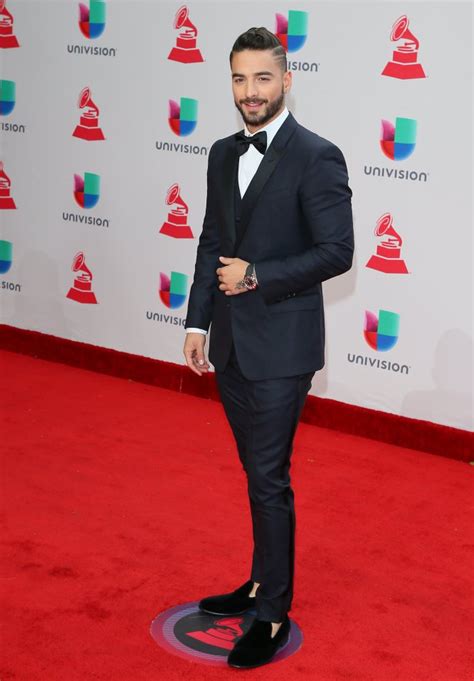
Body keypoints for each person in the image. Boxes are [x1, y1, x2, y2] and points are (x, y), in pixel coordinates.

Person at [183, 26, 354, 669]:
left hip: (283, 348)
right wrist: (198, 322)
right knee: (257, 476)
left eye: (261, 78)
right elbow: (208, 241)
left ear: (287, 80)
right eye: (238, 78)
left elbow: (338, 251)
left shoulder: (318, 155)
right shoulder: (222, 153)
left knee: (268, 477)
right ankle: (258, 583)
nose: (249, 92)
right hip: (227, 344)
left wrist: (256, 275)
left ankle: (274, 613)